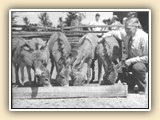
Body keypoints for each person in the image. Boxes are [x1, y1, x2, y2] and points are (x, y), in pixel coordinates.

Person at [98, 17, 148, 94]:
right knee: (118, 68)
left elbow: (149, 57)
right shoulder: (126, 33)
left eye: (128, 28)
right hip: (130, 59)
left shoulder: (144, 37)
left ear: (136, 27)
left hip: (143, 62)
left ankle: (142, 87)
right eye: (125, 28)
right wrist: (102, 37)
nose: (126, 30)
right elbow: (113, 32)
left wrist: (131, 61)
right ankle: (130, 83)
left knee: (137, 68)